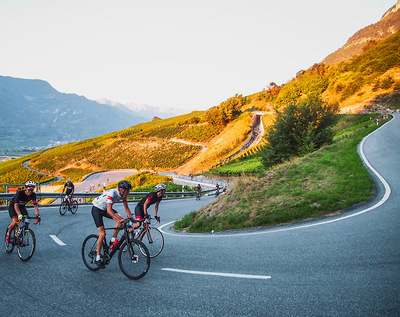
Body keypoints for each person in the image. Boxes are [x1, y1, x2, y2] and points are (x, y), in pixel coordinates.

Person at [91, 180, 133, 268]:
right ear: (121, 190)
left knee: (121, 219)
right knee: (102, 234)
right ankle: (98, 258)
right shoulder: (112, 193)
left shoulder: (123, 195)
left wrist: (131, 219)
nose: (129, 192)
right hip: (97, 209)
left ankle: (112, 241)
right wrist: (119, 219)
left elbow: (126, 208)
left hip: (105, 208)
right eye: (127, 190)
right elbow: (109, 211)